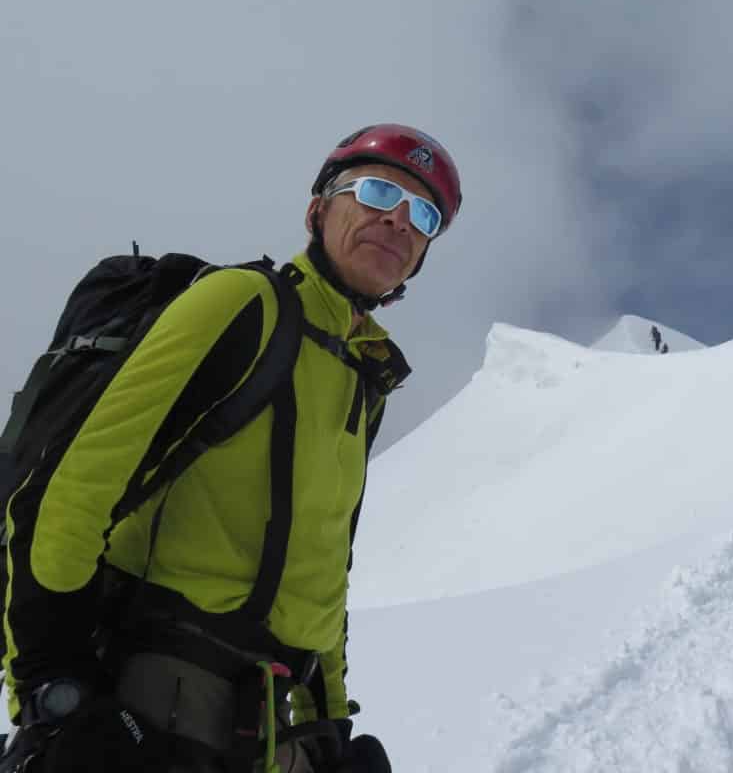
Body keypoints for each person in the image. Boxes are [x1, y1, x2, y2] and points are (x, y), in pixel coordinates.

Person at [1, 124, 462, 772]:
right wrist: (53, 690)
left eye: (422, 214)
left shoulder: (364, 382)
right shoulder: (245, 303)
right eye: (378, 191)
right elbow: (68, 488)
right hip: (154, 696)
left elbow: (324, 573)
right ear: (318, 209)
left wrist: (330, 721)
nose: (397, 220)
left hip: (269, 720)